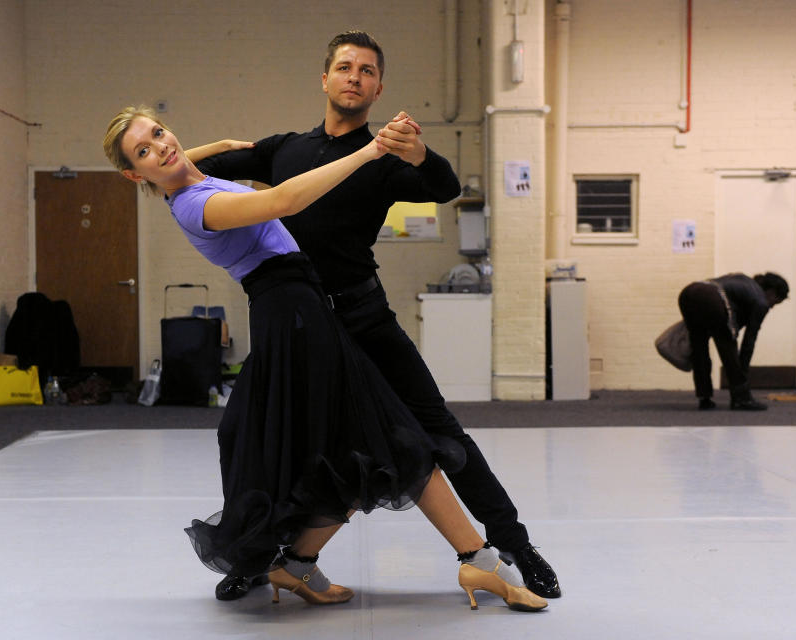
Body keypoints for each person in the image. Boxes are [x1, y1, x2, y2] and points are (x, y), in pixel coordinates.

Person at [103, 105, 547, 612]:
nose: (161, 145)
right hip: (293, 315)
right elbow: (286, 200)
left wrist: (212, 147)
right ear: (135, 174)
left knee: (360, 447)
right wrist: (372, 150)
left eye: (159, 132)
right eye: (145, 150)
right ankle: (477, 560)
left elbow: (180, 157)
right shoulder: (192, 204)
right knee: (386, 438)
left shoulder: (188, 177)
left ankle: (300, 566)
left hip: (302, 308)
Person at [195, 30, 560, 601]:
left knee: (440, 432)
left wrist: (419, 152)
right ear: (325, 78)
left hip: (364, 319)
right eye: (345, 67)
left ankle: (514, 542)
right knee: (268, 441)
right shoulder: (283, 149)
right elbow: (201, 167)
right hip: (299, 328)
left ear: (378, 87)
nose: (355, 78)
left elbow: (441, 187)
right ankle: (257, 558)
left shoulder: (385, 158)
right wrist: (177, 153)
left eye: (367, 71)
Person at [678, 272, 788, 411]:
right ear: (771, 292)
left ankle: (704, 398)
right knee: (728, 348)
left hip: (689, 292)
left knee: (699, 347)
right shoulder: (761, 301)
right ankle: (741, 399)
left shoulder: (744, 281)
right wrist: (742, 374)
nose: (771, 307)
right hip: (712, 296)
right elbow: (749, 342)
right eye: (775, 302)